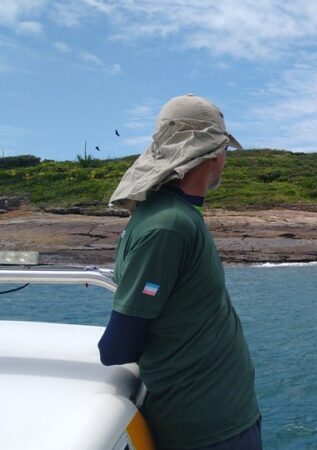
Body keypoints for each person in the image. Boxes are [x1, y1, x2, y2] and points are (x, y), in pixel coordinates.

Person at [98, 94, 261, 450]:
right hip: (208, 430)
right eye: (224, 151)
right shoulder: (169, 225)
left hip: (220, 420)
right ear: (213, 154)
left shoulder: (173, 216)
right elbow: (116, 346)